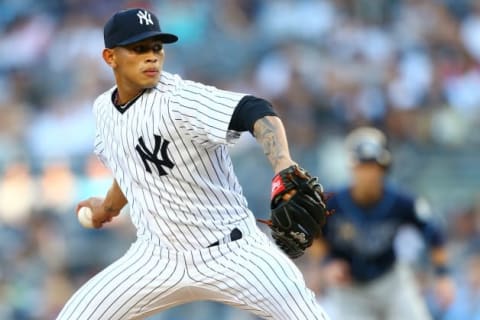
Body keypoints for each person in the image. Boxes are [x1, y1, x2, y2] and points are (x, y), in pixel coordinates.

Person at [56, 7, 330, 320]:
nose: (152, 57)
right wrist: (109, 207)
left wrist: (283, 164)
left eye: (156, 48)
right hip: (156, 258)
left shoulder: (179, 99)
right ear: (110, 57)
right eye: (138, 49)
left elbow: (254, 109)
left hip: (233, 252)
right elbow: (129, 163)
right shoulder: (103, 110)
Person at [319, 126, 455, 320]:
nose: (368, 173)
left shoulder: (401, 201)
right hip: (350, 289)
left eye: (373, 166)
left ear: (384, 168)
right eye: (362, 166)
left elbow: (434, 232)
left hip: (391, 281)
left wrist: (443, 275)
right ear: (352, 168)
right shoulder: (332, 202)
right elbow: (313, 234)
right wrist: (327, 262)